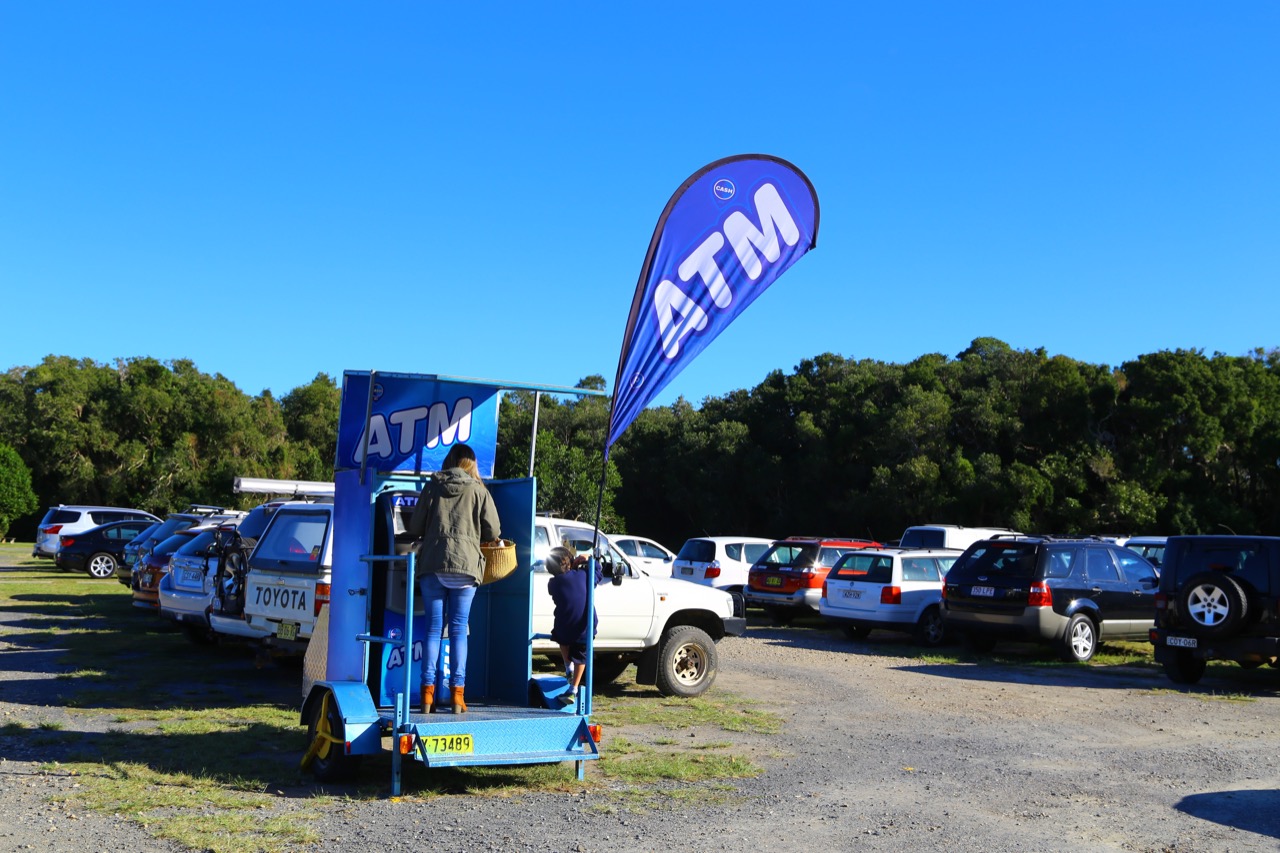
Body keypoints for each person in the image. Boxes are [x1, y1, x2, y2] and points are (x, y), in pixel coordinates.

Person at [406, 443, 500, 714]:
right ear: (471, 464)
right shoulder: (478, 490)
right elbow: (493, 530)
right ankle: (457, 696)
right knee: (458, 629)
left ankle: (427, 696)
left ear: (449, 460)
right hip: (466, 566)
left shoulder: (433, 485)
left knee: (433, 629)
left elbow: (414, 527)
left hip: (434, 563)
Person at [545, 546, 601, 707]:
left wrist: (573, 567)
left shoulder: (553, 583)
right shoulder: (584, 576)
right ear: (570, 562)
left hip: (565, 626)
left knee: (559, 637)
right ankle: (574, 688)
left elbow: (567, 580)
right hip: (586, 625)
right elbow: (598, 573)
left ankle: (567, 667)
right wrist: (589, 560)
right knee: (581, 656)